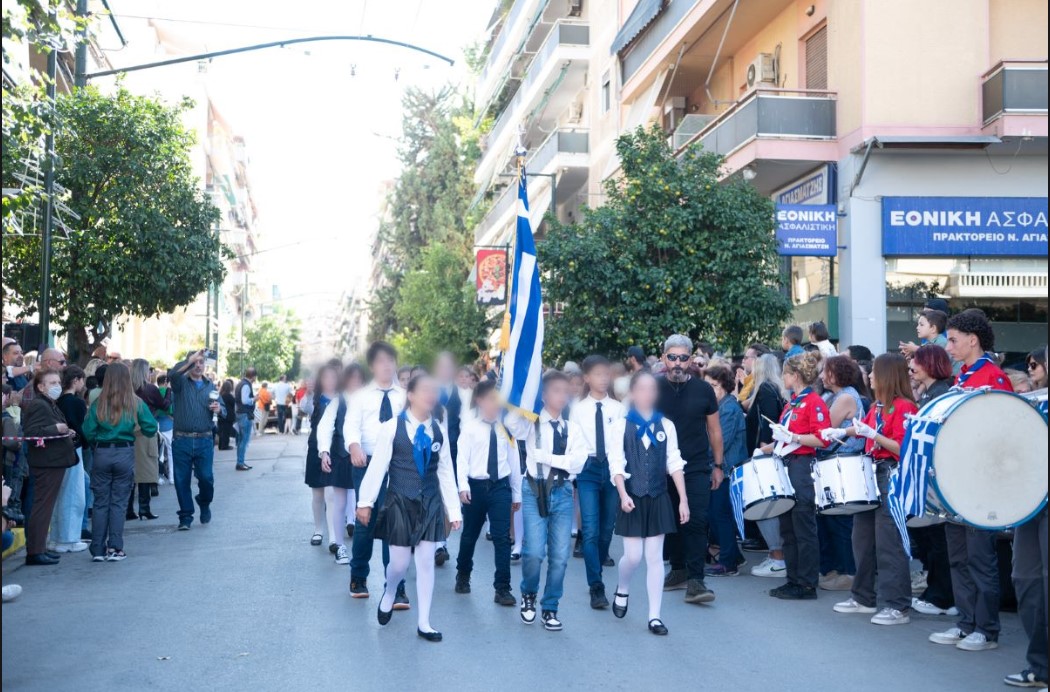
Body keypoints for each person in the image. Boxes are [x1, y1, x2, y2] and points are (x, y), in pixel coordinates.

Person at [930, 309, 1013, 652]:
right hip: (956, 481)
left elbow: (1004, 431)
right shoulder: (963, 376)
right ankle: (966, 623)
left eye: (952, 340)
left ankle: (986, 629)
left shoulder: (993, 377)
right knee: (959, 557)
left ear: (972, 340)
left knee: (980, 558)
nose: (948, 347)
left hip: (981, 482)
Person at [356, 374, 462, 642]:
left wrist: (453, 509)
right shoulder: (392, 427)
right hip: (400, 501)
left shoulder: (437, 429)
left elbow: (446, 470)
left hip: (430, 502)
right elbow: (378, 467)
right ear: (411, 396)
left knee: (425, 561)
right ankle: (390, 590)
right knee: (399, 564)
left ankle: (424, 622)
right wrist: (365, 502)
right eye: (424, 390)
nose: (430, 395)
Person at [826, 353, 917, 625]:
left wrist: (874, 435)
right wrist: (842, 432)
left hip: (890, 475)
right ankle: (863, 597)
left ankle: (897, 605)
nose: (869, 376)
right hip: (871, 473)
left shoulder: (904, 406)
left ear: (887, 375)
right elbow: (863, 428)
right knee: (862, 539)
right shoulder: (878, 405)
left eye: (874, 372)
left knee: (889, 542)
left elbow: (902, 448)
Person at [505, 370, 588, 632]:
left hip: (563, 492)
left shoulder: (572, 428)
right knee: (533, 552)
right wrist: (523, 396)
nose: (562, 396)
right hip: (534, 490)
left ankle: (550, 606)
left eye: (565, 392)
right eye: (556, 391)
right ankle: (528, 594)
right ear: (543, 395)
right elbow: (511, 423)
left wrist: (547, 458)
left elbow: (578, 462)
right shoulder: (531, 423)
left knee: (560, 556)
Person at [608, 370, 689, 635]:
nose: (647, 393)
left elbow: (674, 462)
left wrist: (683, 500)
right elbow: (616, 463)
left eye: (651, 389)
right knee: (632, 557)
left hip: (658, 496)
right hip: (632, 495)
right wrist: (623, 494)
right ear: (632, 393)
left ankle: (654, 616)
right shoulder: (621, 425)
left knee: (654, 558)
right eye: (641, 388)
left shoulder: (666, 425)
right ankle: (623, 587)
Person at [657, 334, 723, 605]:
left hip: (695, 467)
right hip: (661, 468)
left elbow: (714, 430)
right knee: (671, 521)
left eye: (683, 358)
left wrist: (718, 465)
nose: (677, 363)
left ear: (690, 360)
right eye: (672, 357)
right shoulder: (652, 388)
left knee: (696, 520)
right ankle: (678, 569)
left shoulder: (704, 390)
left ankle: (696, 580)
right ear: (664, 358)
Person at [762, 352, 830, 600]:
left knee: (803, 527)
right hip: (787, 464)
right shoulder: (792, 402)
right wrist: (766, 449)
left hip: (802, 467)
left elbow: (822, 439)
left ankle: (807, 584)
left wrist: (793, 437)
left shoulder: (813, 402)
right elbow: (786, 438)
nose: (783, 377)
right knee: (788, 527)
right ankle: (793, 579)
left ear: (796, 375)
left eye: (786, 373)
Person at [342, 342, 407, 602]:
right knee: (365, 521)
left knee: (395, 524)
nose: (386, 365)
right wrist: (354, 446)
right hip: (366, 464)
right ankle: (358, 576)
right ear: (372, 366)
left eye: (390, 360)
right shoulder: (361, 397)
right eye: (381, 361)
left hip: (398, 466)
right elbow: (350, 426)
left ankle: (396, 586)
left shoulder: (405, 396)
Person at [453, 379, 521, 606]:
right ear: (480, 401)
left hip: (500, 487)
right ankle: (463, 574)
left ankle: (502, 588)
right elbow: (462, 459)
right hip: (476, 487)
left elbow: (514, 461)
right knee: (470, 535)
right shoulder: (470, 428)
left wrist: (516, 493)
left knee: (502, 537)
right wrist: (463, 486)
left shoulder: (506, 429)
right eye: (491, 398)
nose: (496, 403)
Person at [82, 362, 158, 561]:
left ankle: (98, 549)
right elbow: (151, 427)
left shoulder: (98, 403)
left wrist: (97, 441)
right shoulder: (135, 402)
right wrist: (135, 432)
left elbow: (88, 430)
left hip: (102, 452)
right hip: (124, 451)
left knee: (100, 502)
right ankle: (115, 547)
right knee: (119, 502)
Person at [568, 355, 626, 609]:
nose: (603, 378)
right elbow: (573, 442)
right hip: (588, 468)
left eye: (606, 374)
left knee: (606, 529)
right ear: (587, 378)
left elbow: (623, 443)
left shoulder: (618, 408)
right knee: (590, 529)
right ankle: (596, 586)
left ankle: (598, 567)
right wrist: (573, 472)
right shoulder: (578, 409)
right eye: (597, 374)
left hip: (612, 468)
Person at [906, 343, 957, 617]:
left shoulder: (941, 394)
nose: (911, 367)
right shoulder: (930, 393)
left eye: (917, 362)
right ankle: (937, 592)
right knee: (932, 537)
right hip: (930, 474)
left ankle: (942, 596)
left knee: (939, 539)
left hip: (939, 476)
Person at [815, 356, 867, 592]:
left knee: (840, 521)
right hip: (835, 462)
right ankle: (837, 568)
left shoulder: (845, 397)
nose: (821, 376)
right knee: (831, 519)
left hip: (842, 463)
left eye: (825, 371)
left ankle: (848, 572)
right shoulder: (837, 395)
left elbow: (823, 429)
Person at [21, 369, 77, 565]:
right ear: (41, 387)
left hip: (53, 462)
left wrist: (64, 431)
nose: (57, 386)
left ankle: (40, 548)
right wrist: (56, 429)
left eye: (58, 382)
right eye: (52, 383)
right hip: (46, 464)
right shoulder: (39, 405)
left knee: (45, 507)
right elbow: (31, 433)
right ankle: (35, 551)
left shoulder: (49, 403)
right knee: (42, 507)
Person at [742, 354, 789, 576]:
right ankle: (776, 555)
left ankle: (777, 557)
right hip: (771, 451)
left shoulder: (766, 389)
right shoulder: (777, 389)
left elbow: (767, 421)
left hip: (765, 454)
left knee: (765, 505)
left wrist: (763, 449)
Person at [167, 350, 225, 530]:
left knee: (206, 478)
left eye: (201, 362)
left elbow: (224, 410)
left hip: (204, 440)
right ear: (188, 364)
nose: (198, 365)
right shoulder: (180, 383)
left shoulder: (210, 386)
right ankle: (185, 516)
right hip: (182, 439)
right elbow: (172, 375)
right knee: (181, 480)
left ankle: (204, 502)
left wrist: (219, 409)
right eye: (194, 362)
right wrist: (188, 361)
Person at [316, 365, 362, 565]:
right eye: (351, 378)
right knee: (338, 501)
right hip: (342, 457)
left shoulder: (369, 401)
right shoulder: (337, 401)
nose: (355, 382)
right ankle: (339, 545)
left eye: (359, 378)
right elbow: (325, 427)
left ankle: (360, 549)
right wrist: (324, 451)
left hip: (364, 458)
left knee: (363, 503)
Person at [703, 364, 746, 577]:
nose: (709, 389)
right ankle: (734, 556)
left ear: (725, 386)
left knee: (720, 515)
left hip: (727, 469)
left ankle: (729, 563)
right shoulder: (720, 406)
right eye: (707, 385)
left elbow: (721, 442)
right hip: (723, 468)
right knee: (716, 514)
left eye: (713, 385)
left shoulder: (728, 408)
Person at [301, 363, 340, 546]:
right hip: (316, 447)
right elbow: (305, 407)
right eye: (326, 377)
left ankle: (333, 536)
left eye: (333, 377)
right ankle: (318, 530)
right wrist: (309, 393)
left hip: (336, 449)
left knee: (331, 494)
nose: (329, 381)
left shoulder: (343, 398)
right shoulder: (316, 398)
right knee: (317, 494)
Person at [52, 366, 88, 552]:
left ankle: (56, 538)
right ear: (76, 380)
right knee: (74, 494)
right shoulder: (76, 403)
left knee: (60, 494)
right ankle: (69, 539)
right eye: (82, 380)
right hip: (74, 450)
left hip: (58, 451)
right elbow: (82, 428)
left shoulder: (56, 402)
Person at [131, 359, 168, 520]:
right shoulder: (150, 389)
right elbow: (164, 405)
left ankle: (129, 509)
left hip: (130, 432)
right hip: (146, 432)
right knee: (146, 471)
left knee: (131, 472)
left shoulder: (128, 389)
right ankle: (144, 508)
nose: (151, 373)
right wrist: (168, 391)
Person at [235, 368, 257, 471]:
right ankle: (240, 462)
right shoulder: (246, 385)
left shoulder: (240, 383)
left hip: (240, 413)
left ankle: (240, 462)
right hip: (245, 414)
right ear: (253, 376)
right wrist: (254, 399)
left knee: (241, 440)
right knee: (244, 440)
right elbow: (244, 400)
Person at [154, 374, 175, 484]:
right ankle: (172, 477)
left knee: (156, 453)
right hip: (168, 426)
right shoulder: (170, 393)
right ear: (166, 382)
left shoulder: (154, 392)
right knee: (171, 452)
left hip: (156, 426)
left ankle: (157, 477)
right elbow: (171, 410)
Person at [217, 379, 237, 451]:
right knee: (226, 431)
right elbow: (234, 403)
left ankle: (221, 445)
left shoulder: (220, 395)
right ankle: (225, 445)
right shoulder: (229, 396)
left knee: (221, 431)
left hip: (221, 415)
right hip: (228, 416)